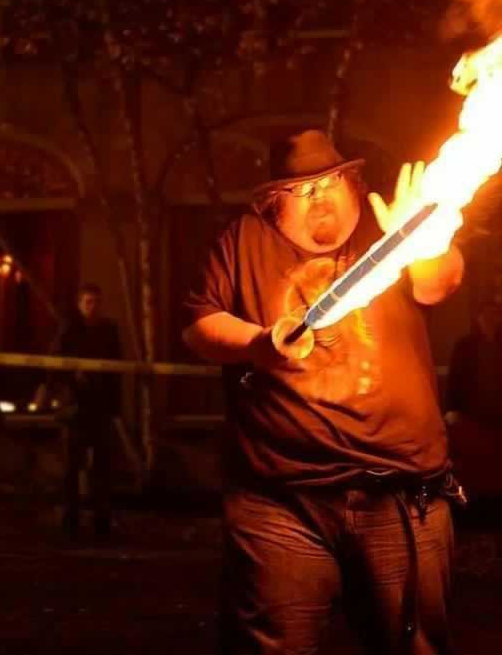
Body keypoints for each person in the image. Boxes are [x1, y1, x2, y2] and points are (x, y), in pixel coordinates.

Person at [183, 130, 466, 655]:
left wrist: (423, 237)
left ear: (354, 184)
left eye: (331, 180)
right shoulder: (242, 240)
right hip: (281, 504)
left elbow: (437, 284)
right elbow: (200, 326)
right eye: (301, 188)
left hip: (401, 495)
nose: (321, 195)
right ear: (273, 204)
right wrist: (259, 342)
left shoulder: (391, 233)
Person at [35, 283, 122, 537]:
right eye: (88, 302)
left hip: (101, 407)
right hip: (76, 407)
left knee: (102, 467)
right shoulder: (69, 331)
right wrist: (68, 380)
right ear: (80, 304)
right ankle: (71, 515)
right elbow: (54, 364)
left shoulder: (109, 331)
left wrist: (115, 406)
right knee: (73, 465)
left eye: (96, 302)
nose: (93, 307)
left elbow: (117, 369)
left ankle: (101, 517)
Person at [445, 299, 502, 498]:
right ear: (478, 318)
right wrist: (452, 409)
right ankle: (477, 501)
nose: (491, 319)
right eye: (487, 315)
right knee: (476, 461)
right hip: (473, 413)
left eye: (495, 315)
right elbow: (456, 377)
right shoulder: (466, 346)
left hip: (497, 414)